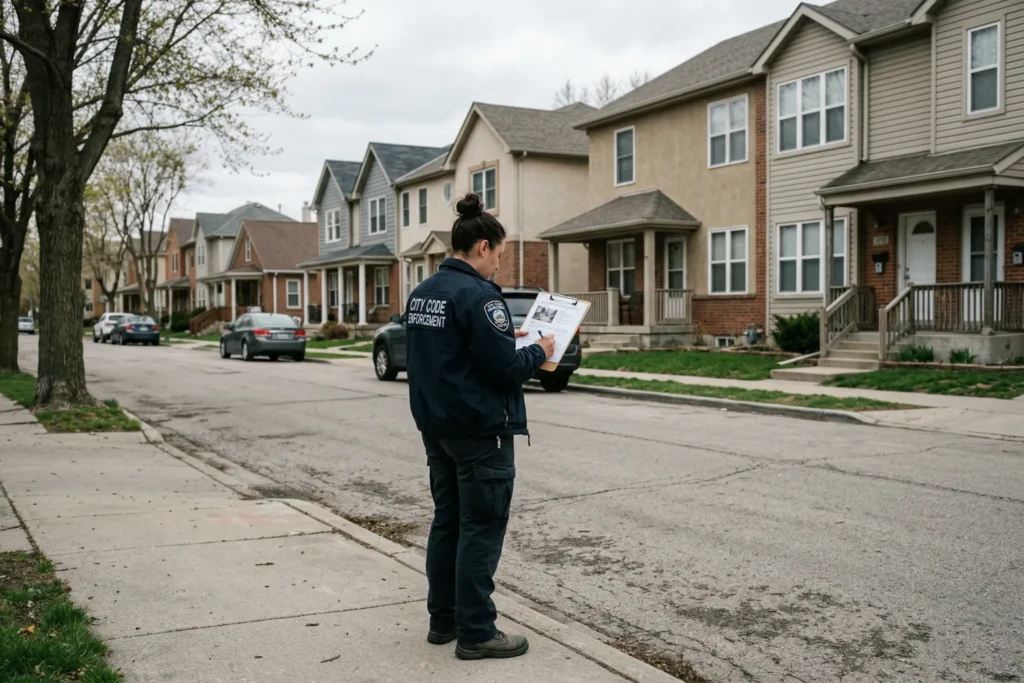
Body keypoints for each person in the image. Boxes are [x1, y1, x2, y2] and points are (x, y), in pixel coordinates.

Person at [405, 192, 555, 661]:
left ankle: (443, 620)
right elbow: (504, 370)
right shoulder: (479, 294)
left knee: (448, 522)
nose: (499, 266)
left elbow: (451, 353)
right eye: (500, 255)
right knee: (481, 528)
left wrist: (505, 338)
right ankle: (476, 631)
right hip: (479, 431)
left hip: (438, 429)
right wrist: (541, 350)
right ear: (484, 246)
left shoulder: (423, 292)